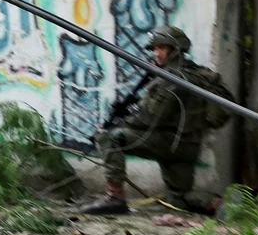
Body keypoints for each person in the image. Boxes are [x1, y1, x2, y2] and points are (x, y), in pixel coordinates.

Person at [80, 25, 229, 215]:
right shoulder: (198, 73)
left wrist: (118, 125)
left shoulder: (170, 78)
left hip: (168, 143)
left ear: (174, 50)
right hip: (188, 146)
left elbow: (150, 118)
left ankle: (115, 198)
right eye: (155, 49)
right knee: (179, 199)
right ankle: (219, 204)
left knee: (110, 138)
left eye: (161, 48)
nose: (156, 53)